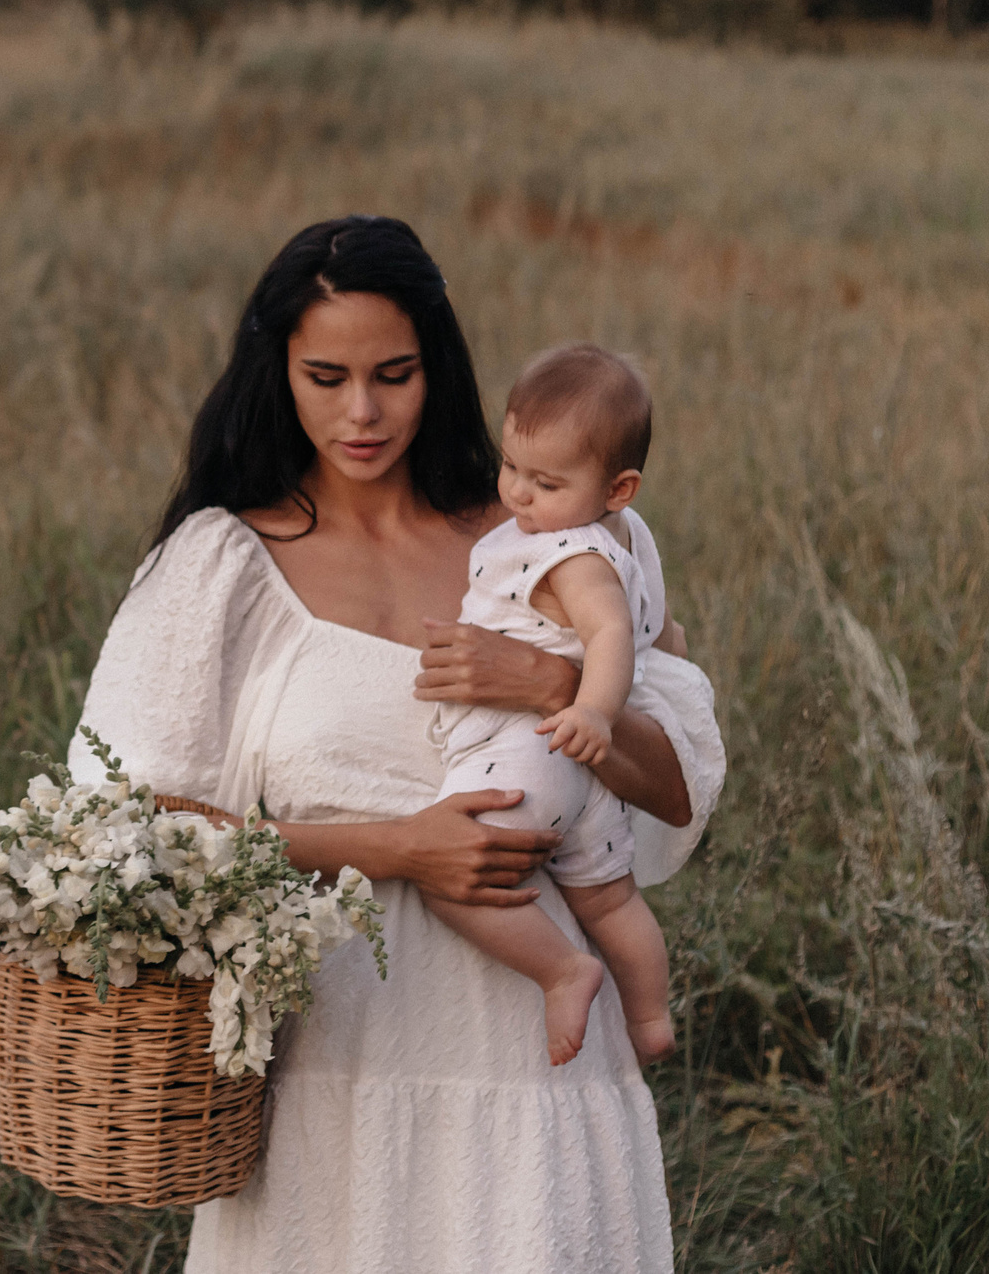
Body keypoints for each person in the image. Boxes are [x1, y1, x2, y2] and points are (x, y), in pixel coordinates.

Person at [65, 215, 723, 1274]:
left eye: (394, 374)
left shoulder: (544, 533)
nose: (361, 412)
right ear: (275, 370)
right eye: (324, 377)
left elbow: (674, 786)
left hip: (538, 1078)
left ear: (441, 368)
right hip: (331, 1074)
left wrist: (550, 681)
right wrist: (395, 846)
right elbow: (125, 832)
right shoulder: (217, 564)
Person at [423, 344, 675, 1070]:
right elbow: (660, 629)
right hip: (583, 776)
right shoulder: (627, 539)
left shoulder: (566, 554)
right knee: (612, 902)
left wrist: (594, 710)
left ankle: (562, 970)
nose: (519, 494)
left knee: (453, 879)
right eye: (511, 467)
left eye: (546, 481)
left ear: (619, 486)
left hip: (532, 751)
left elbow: (610, 632)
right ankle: (651, 1015)